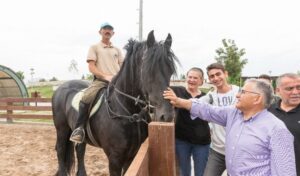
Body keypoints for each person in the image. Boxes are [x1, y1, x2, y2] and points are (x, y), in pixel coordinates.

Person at [163, 79, 296, 176]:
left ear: (257, 99)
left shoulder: (276, 129)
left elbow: (285, 172)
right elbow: (208, 110)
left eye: (243, 92)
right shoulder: (233, 113)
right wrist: (180, 101)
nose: (237, 95)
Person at [70, 22, 123, 143]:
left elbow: (122, 66)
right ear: (100, 32)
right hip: (101, 81)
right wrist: (105, 76)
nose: (107, 31)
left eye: (110, 29)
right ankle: (79, 129)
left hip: (117, 82)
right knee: (87, 97)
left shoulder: (117, 50)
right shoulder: (94, 47)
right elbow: (91, 67)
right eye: (105, 29)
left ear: (113, 33)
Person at [199, 63, 239, 176]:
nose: (215, 78)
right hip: (218, 151)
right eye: (212, 76)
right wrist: (176, 100)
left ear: (226, 74)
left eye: (218, 74)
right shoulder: (210, 96)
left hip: (239, 151)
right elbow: (194, 104)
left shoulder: (240, 92)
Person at [172, 67, 210, 176]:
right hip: (182, 140)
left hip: (202, 142)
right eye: (190, 77)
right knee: (184, 172)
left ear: (201, 81)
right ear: (186, 78)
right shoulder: (178, 91)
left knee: (201, 173)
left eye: (195, 78)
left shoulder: (206, 97)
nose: (192, 80)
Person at [268, 73, 300, 175]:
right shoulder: (268, 111)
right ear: (277, 91)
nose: (295, 92)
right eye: (289, 89)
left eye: (299, 87)